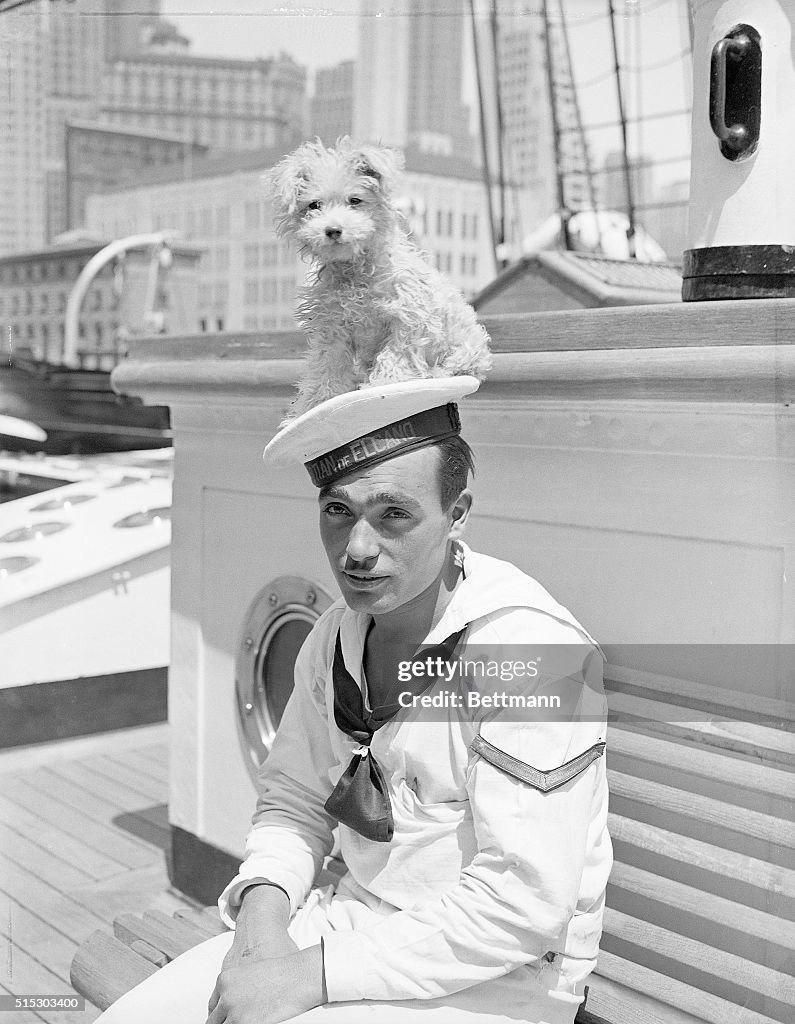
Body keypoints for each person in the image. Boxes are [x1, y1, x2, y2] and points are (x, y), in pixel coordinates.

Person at [97, 377, 611, 1024]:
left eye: (393, 514)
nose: (357, 550)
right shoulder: (333, 640)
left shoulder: (537, 654)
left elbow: (521, 906)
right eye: (337, 510)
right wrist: (260, 931)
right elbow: (293, 804)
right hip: (350, 923)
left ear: (457, 514)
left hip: (497, 979)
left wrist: (305, 977)